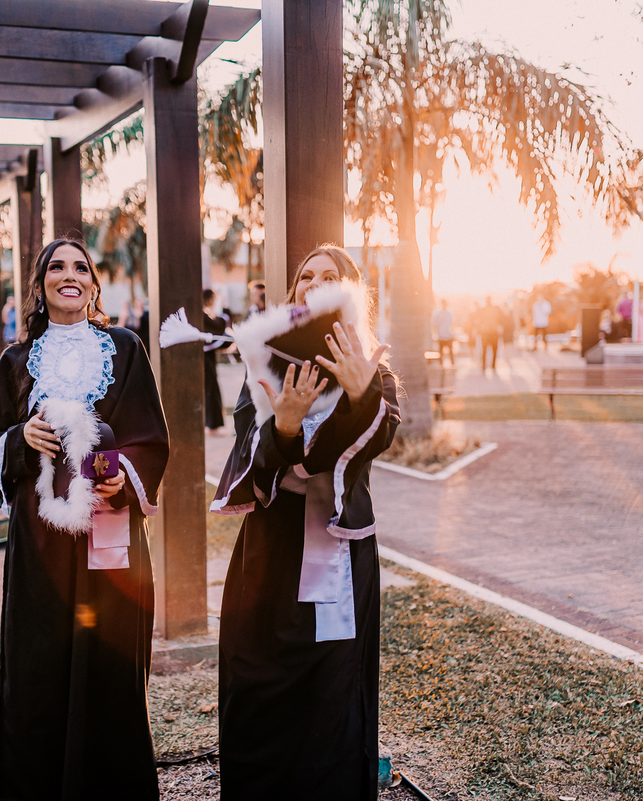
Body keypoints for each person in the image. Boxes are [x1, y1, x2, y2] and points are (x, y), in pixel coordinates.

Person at [0, 237, 169, 800]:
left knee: (111, 660)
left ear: (93, 285)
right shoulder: (17, 360)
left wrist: (122, 477)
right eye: (56, 268)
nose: (69, 276)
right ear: (40, 286)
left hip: (111, 532)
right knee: (40, 661)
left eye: (80, 267)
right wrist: (21, 437)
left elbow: (151, 438)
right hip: (40, 541)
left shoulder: (125, 348)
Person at [213, 245, 400, 800]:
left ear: (350, 290)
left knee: (332, 684)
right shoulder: (264, 361)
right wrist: (285, 428)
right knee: (258, 678)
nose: (315, 284)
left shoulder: (371, 369)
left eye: (330, 276)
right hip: (269, 551)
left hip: (339, 551)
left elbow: (379, 438)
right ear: (294, 291)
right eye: (306, 276)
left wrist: (361, 393)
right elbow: (246, 451)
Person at [204, 288, 231, 435]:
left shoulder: (204, 313)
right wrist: (225, 310)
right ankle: (212, 426)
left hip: (207, 357)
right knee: (211, 389)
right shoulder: (202, 315)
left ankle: (212, 425)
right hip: (205, 358)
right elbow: (219, 326)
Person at [476, 296, 501, 371]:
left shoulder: (492, 309)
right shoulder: (492, 309)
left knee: (491, 350)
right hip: (487, 332)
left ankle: (490, 365)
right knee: (486, 350)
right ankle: (488, 365)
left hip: (490, 332)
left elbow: (478, 321)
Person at [431, 298, 456, 366]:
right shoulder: (437, 313)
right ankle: (441, 363)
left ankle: (452, 363)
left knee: (450, 351)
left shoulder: (450, 312)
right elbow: (434, 324)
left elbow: (453, 323)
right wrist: (435, 333)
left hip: (449, 334)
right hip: (440, 335)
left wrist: (453, 332)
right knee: (441, 351)